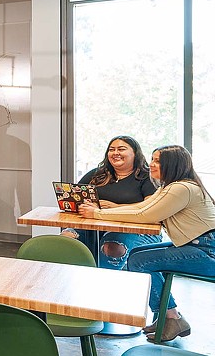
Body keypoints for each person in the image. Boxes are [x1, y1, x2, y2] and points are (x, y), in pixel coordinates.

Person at [80, 145, 215, 343]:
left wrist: (98, 214)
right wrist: (101, 211)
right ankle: (169, 317)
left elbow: (146, 215)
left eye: (157, 161)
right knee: (137, 258)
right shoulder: (169, 187)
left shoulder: (181, 188)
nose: (151, 164)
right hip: (194, 245)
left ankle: (171, 317)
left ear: (173, 164)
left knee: (141, 261)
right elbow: (142, 207)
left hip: (207, 250)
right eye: (152, 159)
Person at [60, 135, 162, 268]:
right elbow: (75, 195)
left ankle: (106, 284)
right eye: (111, 149)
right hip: (93, 227)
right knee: (66, 238)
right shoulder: (97, 174)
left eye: (121, 149)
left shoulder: (146, 176)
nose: (115, 153)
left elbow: (151, 208)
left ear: (135, 153)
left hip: (134, 230)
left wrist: (115, 207)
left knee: (111, 246)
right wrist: (88, 205)